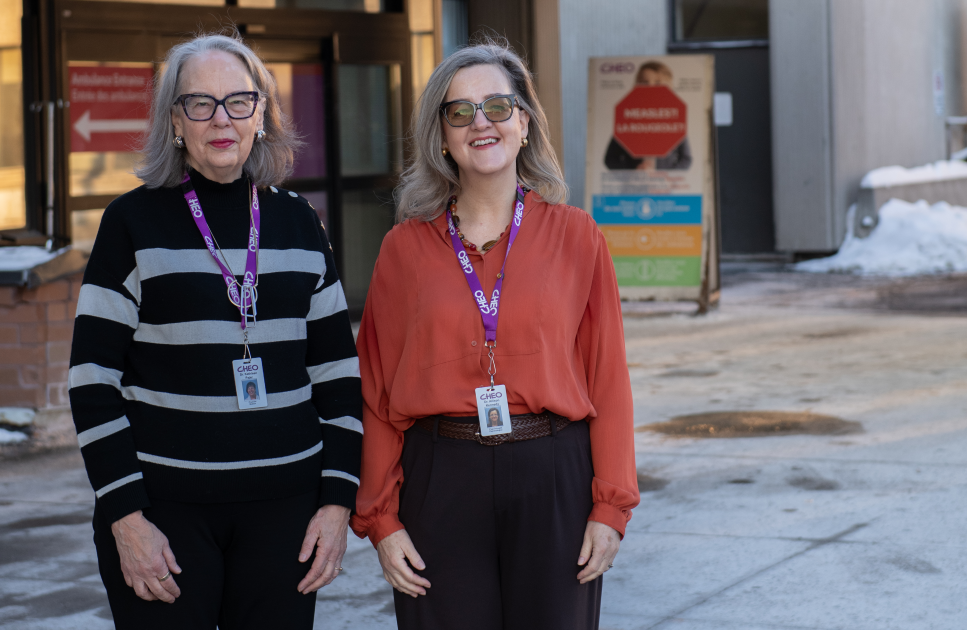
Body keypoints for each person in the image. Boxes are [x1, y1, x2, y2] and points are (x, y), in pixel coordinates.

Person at [68, 31, 362, 630]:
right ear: (175, 120)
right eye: (199, 103)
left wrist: (337, 502)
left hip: (287, 516)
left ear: (262, 113)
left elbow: (338, 376)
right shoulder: (131, 222)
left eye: (238, 101)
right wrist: (125, 517)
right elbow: (92, 381)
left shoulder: (299, 221)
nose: (221, 118)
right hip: (164, 518)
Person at [351, 40, 639, 630]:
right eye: (460, 112)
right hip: (440, 479)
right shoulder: (402, 249)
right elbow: (375, 391)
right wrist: (381, 518)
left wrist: (611, 506)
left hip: (553, 474)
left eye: (498, 107)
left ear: (524, 123)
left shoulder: (577, 236)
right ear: (442, 136)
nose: (480, 123)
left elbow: (608, 378)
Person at [604, 60, 693, 171]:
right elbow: (610, 159)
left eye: (658, 82)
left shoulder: (674, 120)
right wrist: (632, 173)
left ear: (669, 86)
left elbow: (686, 159)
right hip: (634, 181)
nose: (651, 87)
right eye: (644, 82)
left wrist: (668, 176)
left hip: (664, 181)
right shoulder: (628, 119)